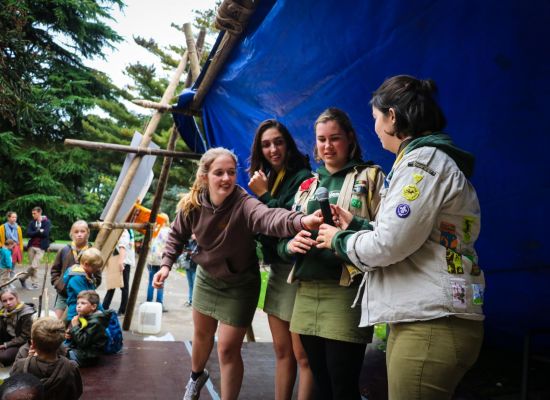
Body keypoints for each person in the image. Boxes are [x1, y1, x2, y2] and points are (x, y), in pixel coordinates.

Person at [317, 75, 485, 400]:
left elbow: (388, 245)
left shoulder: (422, 165)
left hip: (432, 322)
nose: (376, 128)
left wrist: (339, 239)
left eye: (376, 119)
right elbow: (409, 237)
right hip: (426, 317)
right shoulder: (422, 162)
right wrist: (356, 227)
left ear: (392, 116)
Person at [152, 147, 322, 400]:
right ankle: (196, 377)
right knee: (201, 336)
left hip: (240, 284)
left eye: (231, 172)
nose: (226, 179)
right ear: (204, 177)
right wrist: (166, 264)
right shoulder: (194, 204)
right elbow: (177, 234)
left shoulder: (244, 204)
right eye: (219, 173)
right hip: (208, 277)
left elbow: (269, 217)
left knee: (227, 349)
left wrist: (299, 221)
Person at [278, 108, 385, 400]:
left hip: (346, 293)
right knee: (320, 382)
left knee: (342, 384)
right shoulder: (307, 185)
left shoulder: (371, 177)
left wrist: (351, 228)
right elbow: (282, 241)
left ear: (350, 139)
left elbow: (388, 235)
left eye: (335, 138)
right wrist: (290, 246)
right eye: (321, 139)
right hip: (306, 292)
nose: (327, 146)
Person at [247, 119, 314, 400]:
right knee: (281, 351)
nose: (273, 149)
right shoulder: (266, 177)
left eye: (278, 142)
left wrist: (264, 195)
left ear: (287, 144)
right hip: (276, 271)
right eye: (266, 144)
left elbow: (290, 221)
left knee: (303, 355)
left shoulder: (303, 177)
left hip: (297, 272)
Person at [10, 317, 82, 399]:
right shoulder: (71, 368)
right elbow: (76, 393)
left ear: (32, 344)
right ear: (61, 343)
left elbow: (12, 390)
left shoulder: (20, 365)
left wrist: (29, 359)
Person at [50, 220, 101, 319]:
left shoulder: (92, 251)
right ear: (71, 234)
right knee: (58, 323)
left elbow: (97, 273)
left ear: (88, 233)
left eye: (82, 231)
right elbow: (55, 270)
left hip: (84, 298)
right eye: (76, 232)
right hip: (63, 295)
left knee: (78, 323)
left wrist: (90, 286)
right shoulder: (64, 250)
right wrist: (59, 285)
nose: (79, 234)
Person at [65, 290, 110, 367]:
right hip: (79, 350)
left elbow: (83, 341)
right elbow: (79, 335)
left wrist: (75, 327)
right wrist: (70, 334)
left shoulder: (96, 322)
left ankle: (73, 364)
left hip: (87, 356)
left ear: (93, 307)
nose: (78, 306)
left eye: (83, 303)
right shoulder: (83, 317)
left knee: (59, 356)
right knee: (56, 346)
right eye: (77, 303)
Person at [63, 247, 104, 321]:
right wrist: (103, 312)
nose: (96, 270)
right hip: (77, 314)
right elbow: (89, 298)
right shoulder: (77, 278)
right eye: (95, 268)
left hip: (87, 312)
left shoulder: (87, 275)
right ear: (86, 264)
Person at [103, 229, 135, 315]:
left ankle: (122, 309)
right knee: (114, 286)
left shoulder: (123, 230)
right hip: (120, 260)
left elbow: (122, 247)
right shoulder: (129, 229)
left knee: (122, 287)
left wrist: (121, 262)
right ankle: (105, 306)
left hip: (121, 261)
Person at [0, 289, 35, 366]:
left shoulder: (26, 313)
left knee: (4, 357)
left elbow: (25, 337)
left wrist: (6, 345)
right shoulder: (3, 312)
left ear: (17, 298)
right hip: (10, 338)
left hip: (22, 342)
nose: (8, 303)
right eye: (4, 301)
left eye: (11, 299)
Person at [21, 207, 51, 290]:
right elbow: (29, 234)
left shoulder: (47, 222)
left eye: (35, 213)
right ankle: (35, 283)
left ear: (40, 212)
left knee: (34, 265)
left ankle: (23, 278)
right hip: (31, 247)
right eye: (32, 213)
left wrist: (36, 233)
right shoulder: (32, 223)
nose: (33, 215)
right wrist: (38, 231)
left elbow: (45, 234)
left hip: (41, 247)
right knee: (33, 266)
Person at [146, 215, 171, 308]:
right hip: (162, 260)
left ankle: (149, 302)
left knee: (151, 281)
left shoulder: (154, 230)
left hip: (152, 259)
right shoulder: (168, 231)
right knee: (161, 281)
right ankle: (159, 303)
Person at [182, 234, 198, 307]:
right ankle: (190, 300)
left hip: (195, 267)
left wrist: (190, 252)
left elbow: (196, 253)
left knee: (195, 285)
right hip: (188, 266)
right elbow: (185, 249)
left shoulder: (199, 243)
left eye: (194, 234)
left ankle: (195, 302)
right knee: (190, 285)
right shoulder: (190, 242)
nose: (192, 235)